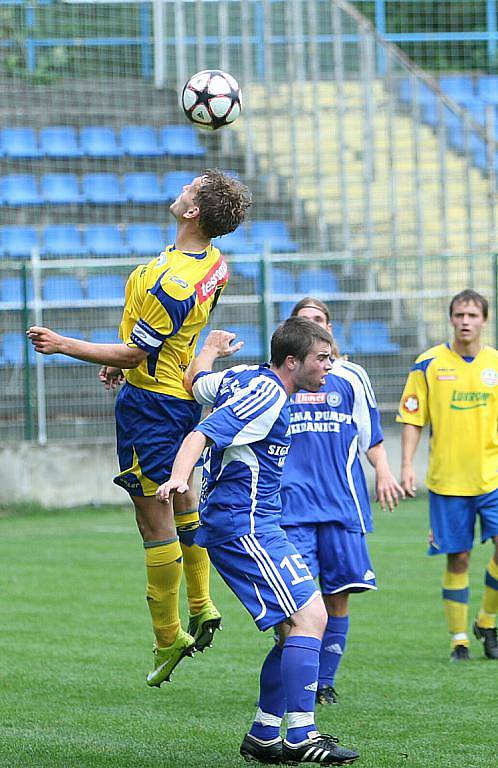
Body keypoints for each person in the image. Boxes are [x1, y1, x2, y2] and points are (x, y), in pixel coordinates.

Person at [27, 169, 252, 687]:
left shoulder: (167, 279)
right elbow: (154, 344)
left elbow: (136, 350)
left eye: (191, 188)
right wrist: (128, 361)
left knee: (154, 522)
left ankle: (169, 635)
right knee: (184, 499)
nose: (181, 190)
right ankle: (202, 601)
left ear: (194, 211)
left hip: (151, 408)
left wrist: (66, 345)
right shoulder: (213, 263)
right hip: (174, 396)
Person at [156, 317, 359, 766]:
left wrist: (208, 347)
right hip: (244, 525)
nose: (330, 366)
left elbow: (197, 383)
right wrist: (177, 477)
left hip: (250, 523)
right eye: (322, 358)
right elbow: (200, 432)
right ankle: (302, 735)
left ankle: (265, 735)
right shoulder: (267, 395)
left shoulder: (245, 375)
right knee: (312, 616)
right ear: (292, 361)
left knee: (293, 633)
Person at [280, 297, 403, 705]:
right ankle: (296, 677)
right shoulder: (279, 380)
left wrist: (383, 471)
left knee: (338, 595)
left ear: (330, 328)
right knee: (295, 601)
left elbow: (371, 435)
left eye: (319, 320)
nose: (314, 326)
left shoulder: (351, 377)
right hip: (291, 507)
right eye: (305, 321)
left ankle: (325, 680)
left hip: (340, 504)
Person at [397, 289, 498, 661]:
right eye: (459, 315)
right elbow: (412, 419)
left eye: (473, 315)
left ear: (484, 319)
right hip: (448, 483)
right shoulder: (428, 364)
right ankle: (459, 638)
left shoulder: (496, 364)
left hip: (493, 477)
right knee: (458, 559)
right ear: (451, 319)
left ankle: (487, 620)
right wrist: (407, 465)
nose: (466, 321)